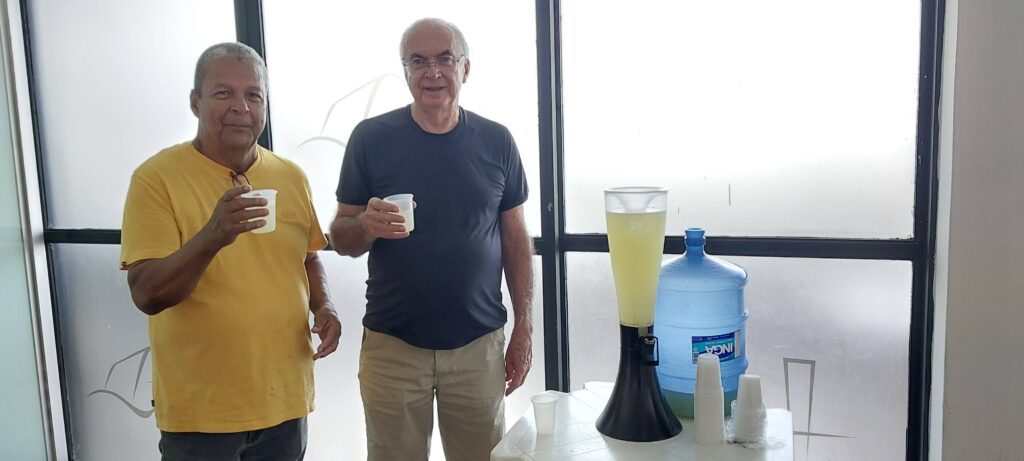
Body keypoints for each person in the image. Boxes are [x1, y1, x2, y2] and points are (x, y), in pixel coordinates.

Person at [120, 42, 341, 460]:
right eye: (224, 93)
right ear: (195, 102)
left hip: (285, 404)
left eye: (253, 95)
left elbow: (308, 257)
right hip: (201, 416)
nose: (241, 107)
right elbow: (147, 293)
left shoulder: (290, 176)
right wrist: (213, 236)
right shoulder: (156, 179)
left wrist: (325, 306)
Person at [329, 17, 534, 461]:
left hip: (478, 345)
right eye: (418, 62)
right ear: (405, 71)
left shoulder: (497, 141)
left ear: (466, 68)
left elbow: (517, 240)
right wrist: (365, 225)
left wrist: (524, 326)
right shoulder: (371, 139)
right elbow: (340, 236)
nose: (432, 72)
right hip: (393, 346)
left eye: (445, 59)